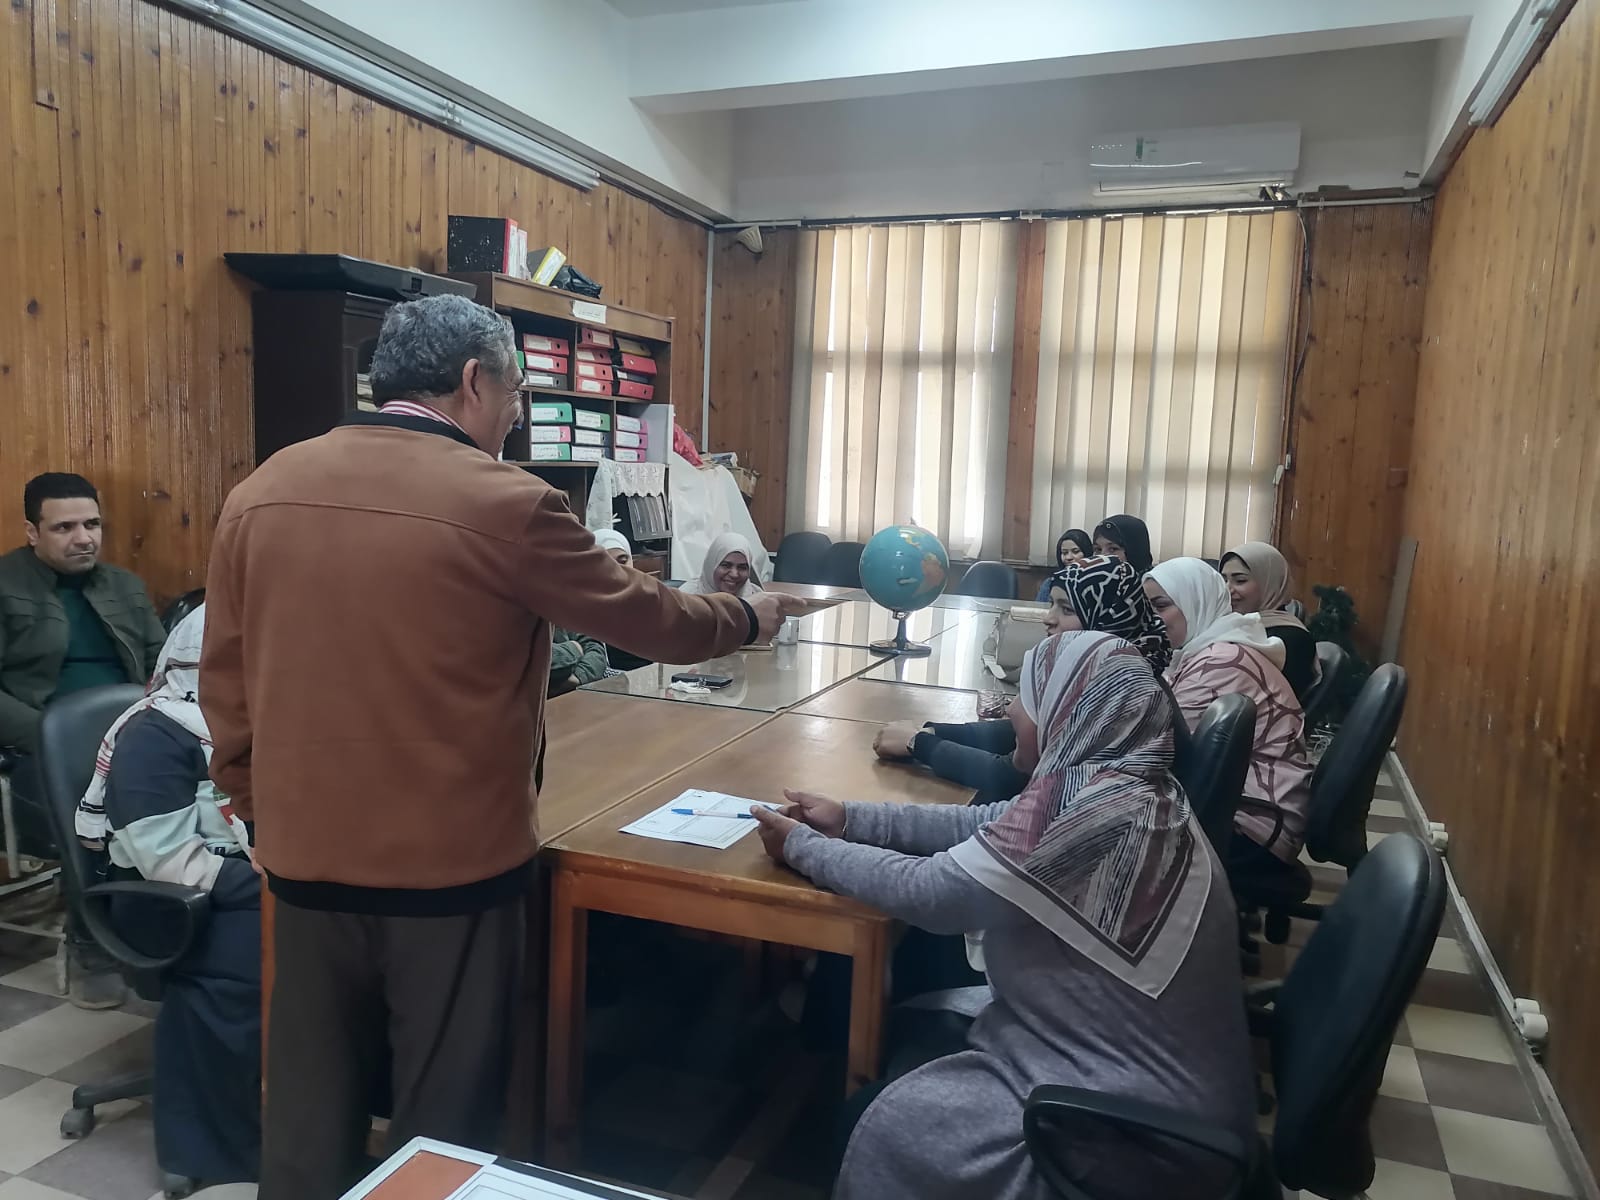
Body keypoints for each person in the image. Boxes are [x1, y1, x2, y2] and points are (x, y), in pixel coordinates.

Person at [199, 294, 804, 1200]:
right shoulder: (506, 501)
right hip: (449, 870)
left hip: (302, 858)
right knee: (443, 1116)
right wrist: (748, 616)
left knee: (306, 1106)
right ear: (473, 382)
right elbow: (652, 619)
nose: (517, 415)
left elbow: (226, 676)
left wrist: (255, 805)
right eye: (517, 393)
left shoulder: (263, 489)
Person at [751, 632, 1255, 1200]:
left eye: (1029, 695)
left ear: (1072, 708)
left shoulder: (1099, 812)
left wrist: (803, 848)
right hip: (1138, 1083)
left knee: (884, 1126)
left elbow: (931, 893)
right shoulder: (1123, 786)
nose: (1013, 709)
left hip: (1132, 1138)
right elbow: (987, 822)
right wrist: (850, 818)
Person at [74, 605, 260, 1186]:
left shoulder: (249, 727)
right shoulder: (154, 738)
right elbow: (171, 861)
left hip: (233, 883)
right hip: (167, 902)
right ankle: (211, 1149)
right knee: (258, 960)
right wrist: (273, 883)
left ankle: (327, 1111)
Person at [0, 471, 167, 1007]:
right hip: (38, 749)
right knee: (91, 802)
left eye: (92, 524)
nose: (83, 538)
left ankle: (169, 925)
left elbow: (161, 664)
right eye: (64, 527)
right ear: (33, 531)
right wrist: (51, 737)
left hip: (129, 733)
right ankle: (90, 941)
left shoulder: (123, 585)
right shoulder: (5, 586)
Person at [875, 557, 1172, 803]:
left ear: (1109, 619)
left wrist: (918, 744)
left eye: (1067, 609)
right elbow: (1029, 732)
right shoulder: (1121, 665)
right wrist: (935, 730)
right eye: (1052, 604)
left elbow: (1014, 773)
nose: (1048, 618)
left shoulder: (1120, 690)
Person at [1143, 557, 1312, 884]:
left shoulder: (1218, 663)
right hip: (1246, 805)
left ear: (1196, 602)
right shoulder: (1212, 646)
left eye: (1161, 606)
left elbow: (1159, 747)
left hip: (1254, 825)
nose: (1151, 619)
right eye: (1146, 608)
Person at [1221, 540, 1318, 698]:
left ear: (1269, 582)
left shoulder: (1292, 639)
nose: (1227, 589)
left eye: (1240, 581)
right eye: (1224, 580)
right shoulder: (1229, 625)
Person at [680, 532, 762, 598]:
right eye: (726, 565)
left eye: (742, 567)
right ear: (711, 566)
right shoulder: (685, 599)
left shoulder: (759, 599)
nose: (734, 574)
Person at [1031, 528, 1092, 601]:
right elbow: (1040, 607)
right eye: (1064, 553)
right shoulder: (1050, 583)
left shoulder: (1095, 583)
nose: (1068, 557)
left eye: (1075, 551)